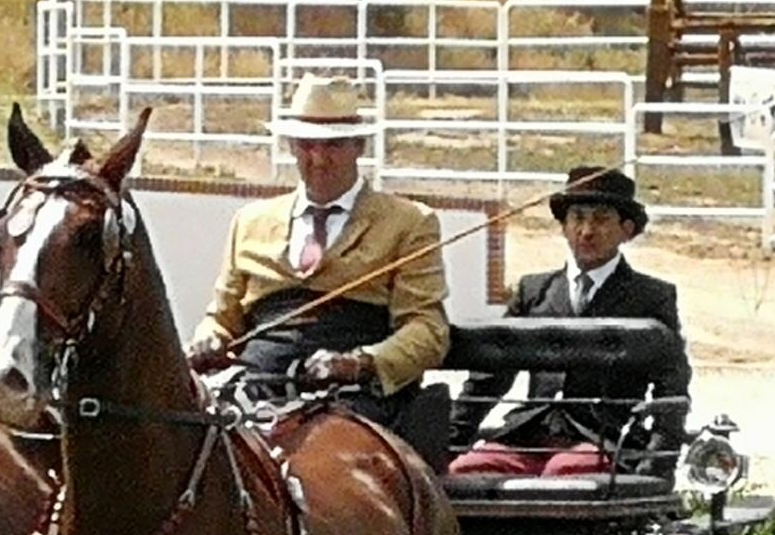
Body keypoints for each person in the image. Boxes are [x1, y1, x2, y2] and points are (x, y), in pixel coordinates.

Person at [186, 73, 449, 434]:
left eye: (334, 146)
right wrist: (210, 338)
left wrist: (362, 362)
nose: (319, 159)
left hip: (354, 399)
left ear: (359, 147)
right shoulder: (250, 222)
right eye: (307, 145)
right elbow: (223, 318)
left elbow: (427, 329)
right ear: (292, 146)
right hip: (253, 391)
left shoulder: (408, 223)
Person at [448, 166, 691, 477]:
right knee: (468, 470)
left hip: (602, 439)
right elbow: (492, 374)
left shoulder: (650, 297)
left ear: (626, 230)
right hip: (527, 434)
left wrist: (658, 460)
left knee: (566, 473)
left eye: (601, 219)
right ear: (563, 226)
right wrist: (451, 442)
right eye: (577, 218)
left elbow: (671, 384)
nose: (587, 231)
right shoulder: (534, 291)